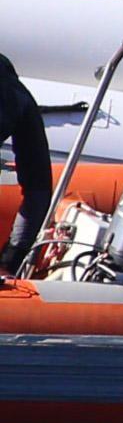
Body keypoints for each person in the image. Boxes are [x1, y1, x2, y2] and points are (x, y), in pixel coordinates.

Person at [3, 61, 49, 277]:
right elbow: (39, 190)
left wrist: (13, 255)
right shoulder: (18, 95)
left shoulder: (15, 99)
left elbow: (38, 188)